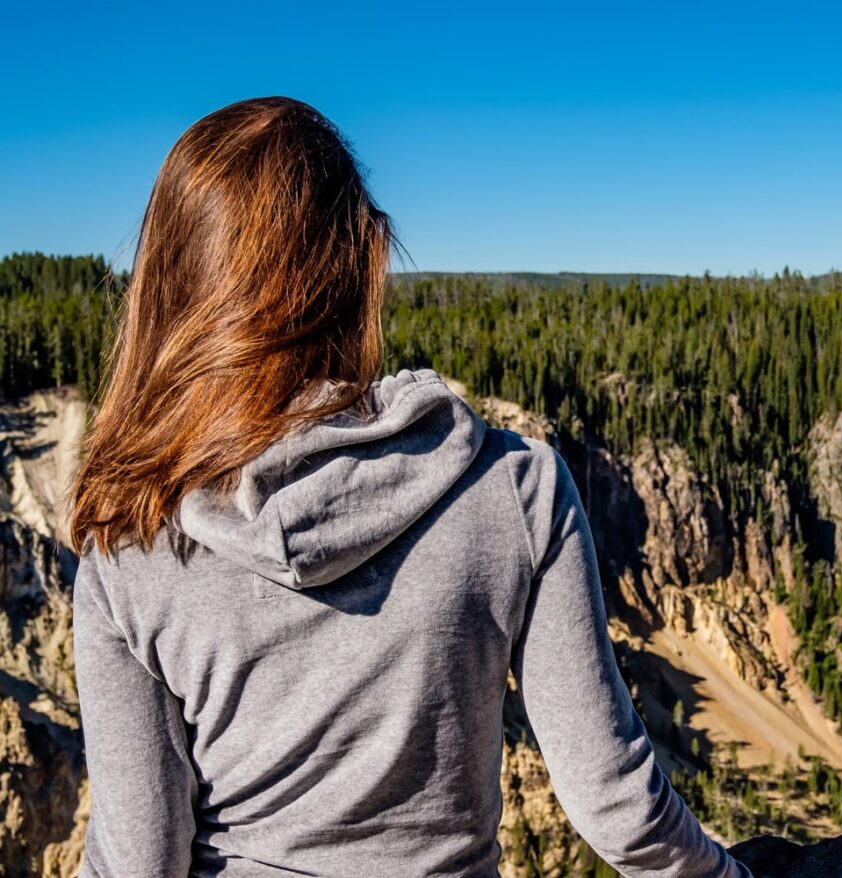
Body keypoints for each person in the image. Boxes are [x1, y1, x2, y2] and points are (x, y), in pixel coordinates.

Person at [70, 96, 751, 878]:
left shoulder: (131, 543)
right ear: (364, 259)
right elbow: (618, 806)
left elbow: (136, 861)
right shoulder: (513, 487)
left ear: (171, 283)